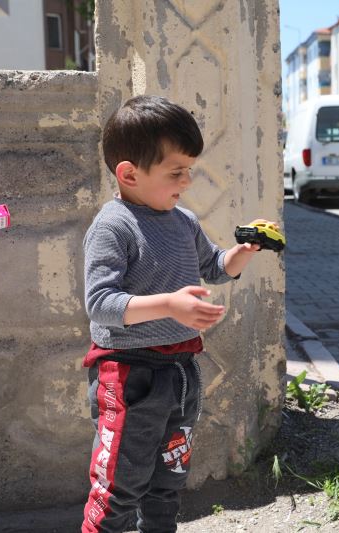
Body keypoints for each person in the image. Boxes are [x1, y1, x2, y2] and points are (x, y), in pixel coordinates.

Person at [81, 95, 270, 532]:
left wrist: (243, 252)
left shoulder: (183, 221)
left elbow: (214, 266)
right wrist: (169, 304)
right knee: (119, 486)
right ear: (129, 174)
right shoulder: (113, 227)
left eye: (189, 169)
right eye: (175, 172)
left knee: (166, 485)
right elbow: (101, 303)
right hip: (130, 375)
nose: (187, 181)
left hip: (181, 372)